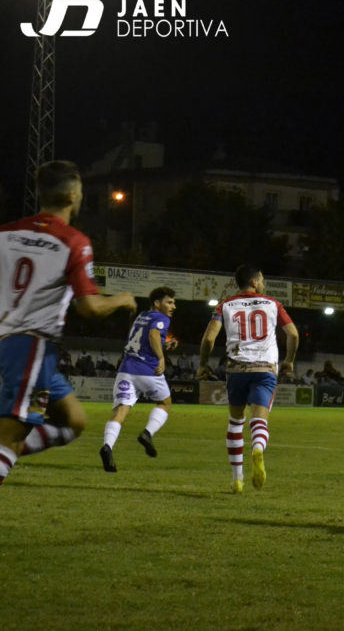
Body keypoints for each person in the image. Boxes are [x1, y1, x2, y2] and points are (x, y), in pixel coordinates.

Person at [0, 160, 137, 486]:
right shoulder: (73, 241)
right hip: (30, 345)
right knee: (8, 434)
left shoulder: (6, 233)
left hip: (14, 344)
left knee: (73, 420)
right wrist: (122, 299)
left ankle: (11, 450)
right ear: (75, 195)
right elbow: (89, 307)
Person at [197, 265, 299, 494]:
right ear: (254, 282)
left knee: (235, 422)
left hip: (236, 369)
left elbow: (208, 339)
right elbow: (293, 333)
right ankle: (258, 448)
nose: (263, 283)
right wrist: (289, 360)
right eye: (261, 279)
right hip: (264, 369)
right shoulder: (273, 304)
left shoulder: (225, 305)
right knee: (259, 419)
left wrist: (203, 364)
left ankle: (237, 480)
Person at [99, 286, 180, 472]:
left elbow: (145, 337)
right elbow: (153, 335)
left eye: (174, 302)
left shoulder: (142, 315)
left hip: (126, 369)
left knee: (121, 411)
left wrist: (165, 343)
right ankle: (147, 433)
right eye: (169, 302)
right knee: (165, 402)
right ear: (157, 303)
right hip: (147, 371)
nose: (173, 306)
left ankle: (107, 447)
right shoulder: (162, 318)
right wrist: (161, 358)